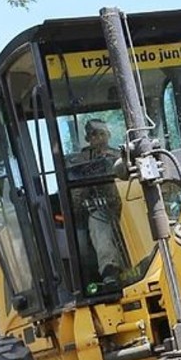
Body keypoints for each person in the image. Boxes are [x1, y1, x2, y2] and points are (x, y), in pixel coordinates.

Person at [67, 119, 127, 287]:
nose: (100, 138)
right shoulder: (79, 164)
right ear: (88, 139)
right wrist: (88, 176)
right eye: (95, 135)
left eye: (103, 134)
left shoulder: (121, 156)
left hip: (129, 204)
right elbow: (75, 203)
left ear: (109, 135)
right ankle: (110, 270)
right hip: (102, 210)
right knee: (97, 220)